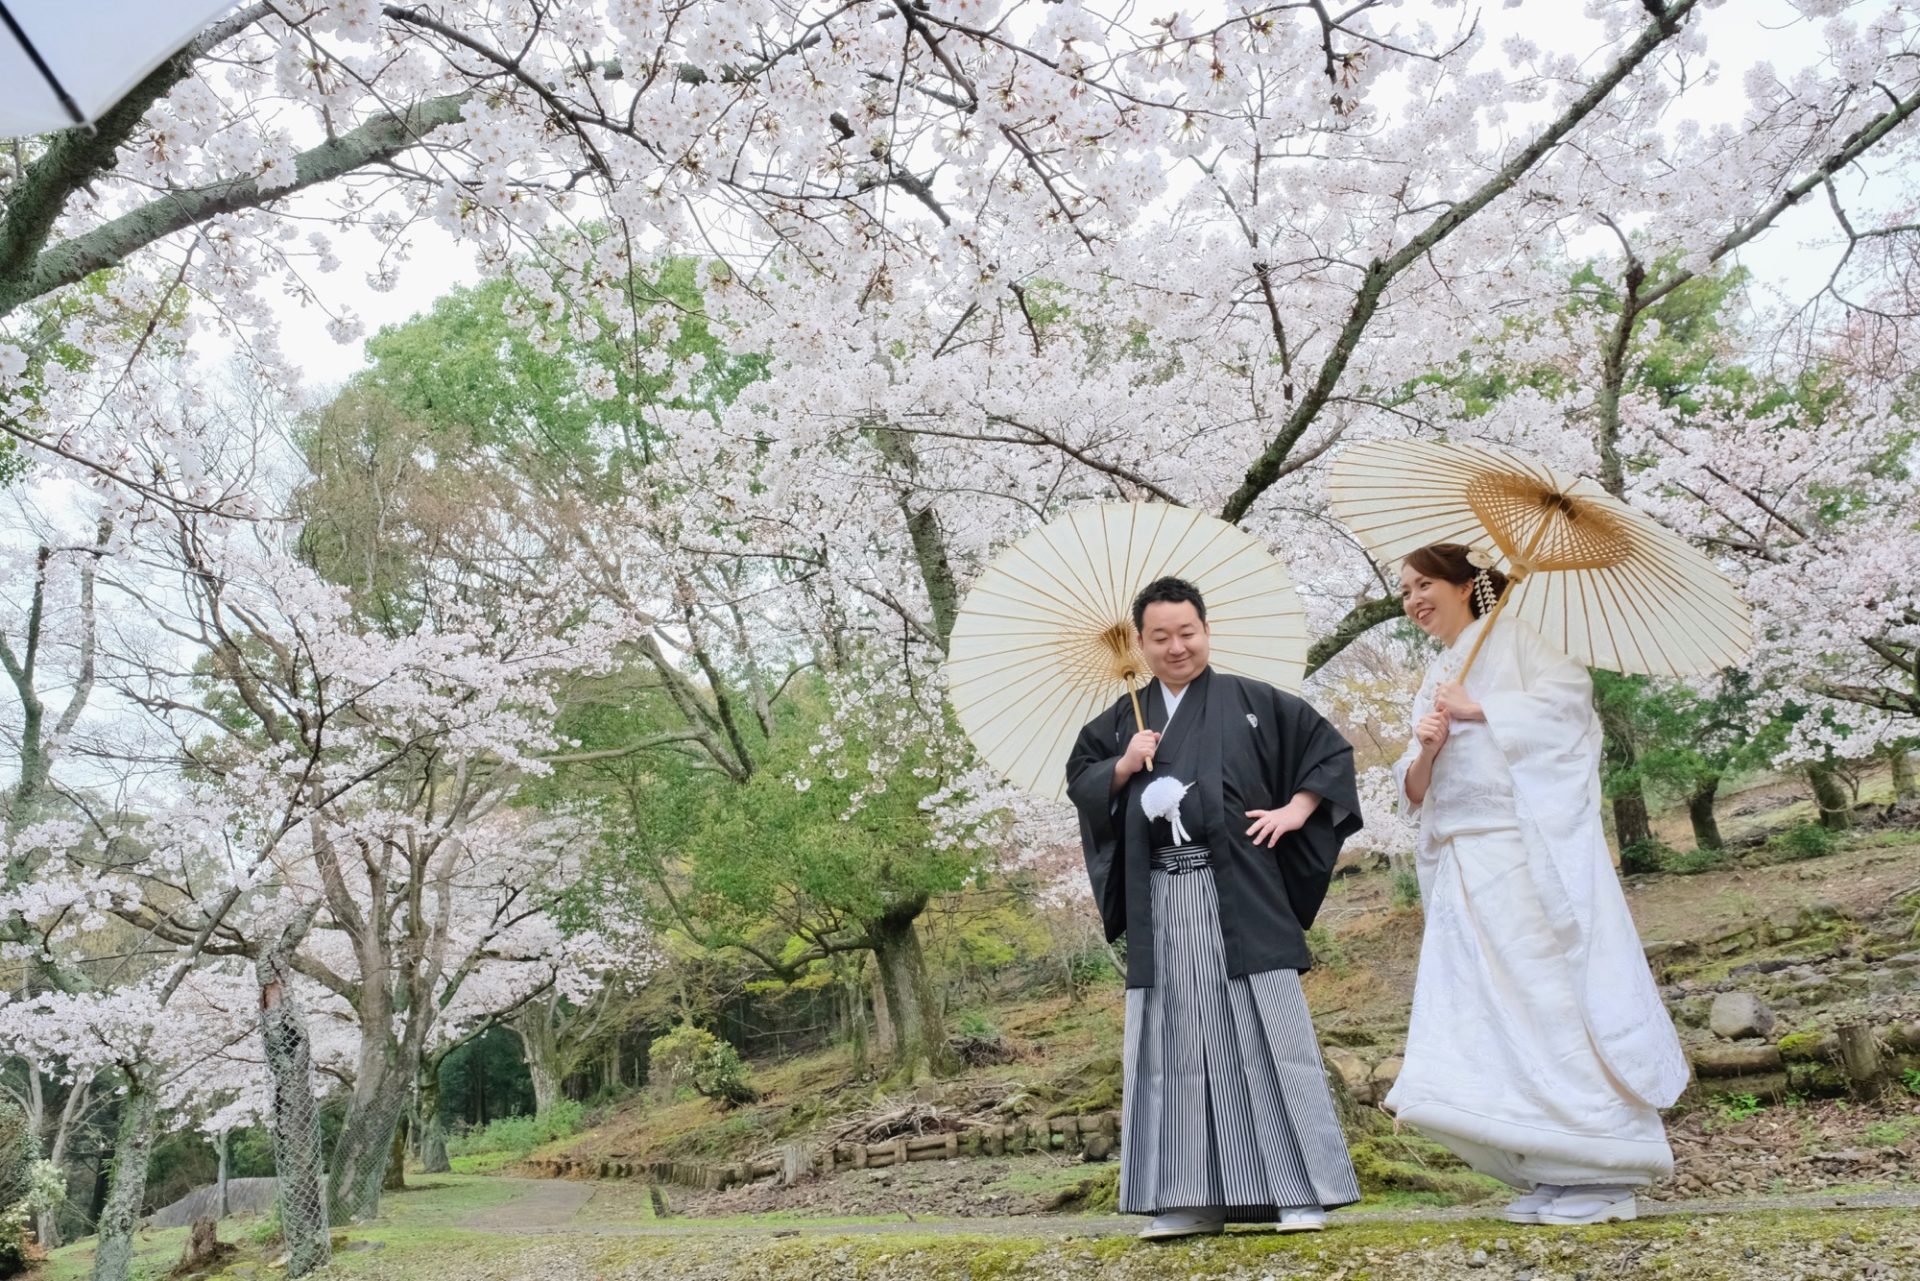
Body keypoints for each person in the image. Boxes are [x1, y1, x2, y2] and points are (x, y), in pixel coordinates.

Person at [1385, 543, 1690, 1227]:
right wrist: (1429, 743)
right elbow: (1412, 789)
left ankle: (1603, 1165)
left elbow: (1569, 714)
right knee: (1489, 1018)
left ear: (1468, 583)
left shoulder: (1522, 639)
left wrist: (1484, 705)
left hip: (1518, 856)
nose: (1412, 600)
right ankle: (1547, 1163)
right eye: (1403, 590)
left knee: (1546, 1002)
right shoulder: (1436, 667)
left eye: (1424, 583)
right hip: (1463, 865)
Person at [1065, 576, 1364, 1241]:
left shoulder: (1253, 701)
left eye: (1187, 631)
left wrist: (1296, 810)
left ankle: (1298, 1191)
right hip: (1162, 900)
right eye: (1161, 637)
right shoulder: (1121, 720)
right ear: (1139, 644)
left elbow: (1329, 754)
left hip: (1241, 894)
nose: (1177, 647)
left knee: (1266, 1036)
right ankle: (1186, 1196)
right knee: (1174, 1042)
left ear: (1206, 629)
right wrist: (1122, 766)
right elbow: (1083, 782)